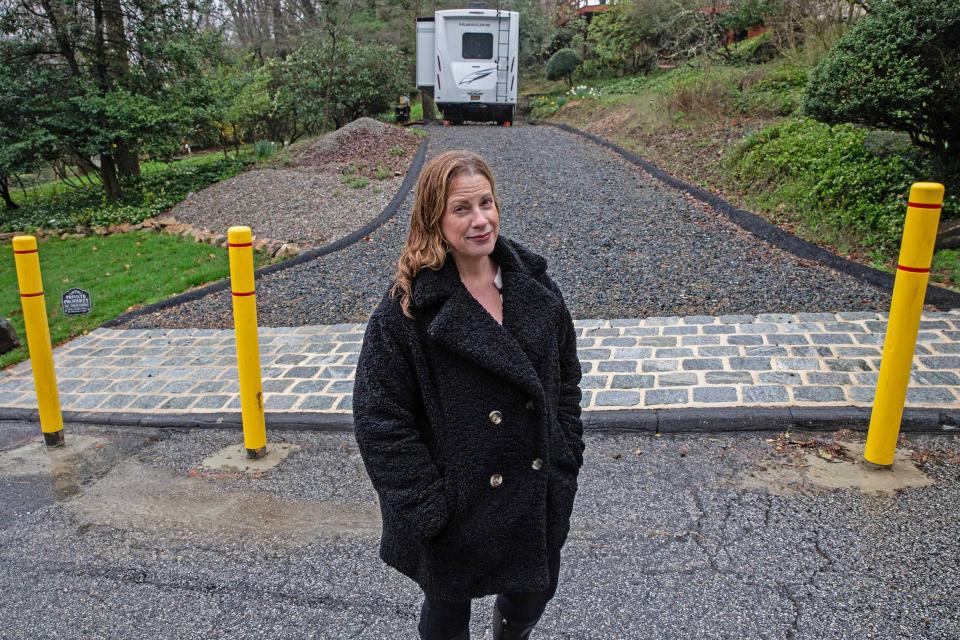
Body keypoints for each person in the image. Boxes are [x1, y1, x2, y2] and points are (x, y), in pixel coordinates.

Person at [352, 149, 585, 640]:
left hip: (533, 489)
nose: (480, 221)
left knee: (531, 595)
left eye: (486, 203)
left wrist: (565, 452)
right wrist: (426, 504)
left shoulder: (536, 286)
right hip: (456, 502)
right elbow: (379, 417)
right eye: (462, 209)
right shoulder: (407, 312)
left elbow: (566, 379)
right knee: (446, 614)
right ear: (435, 218)